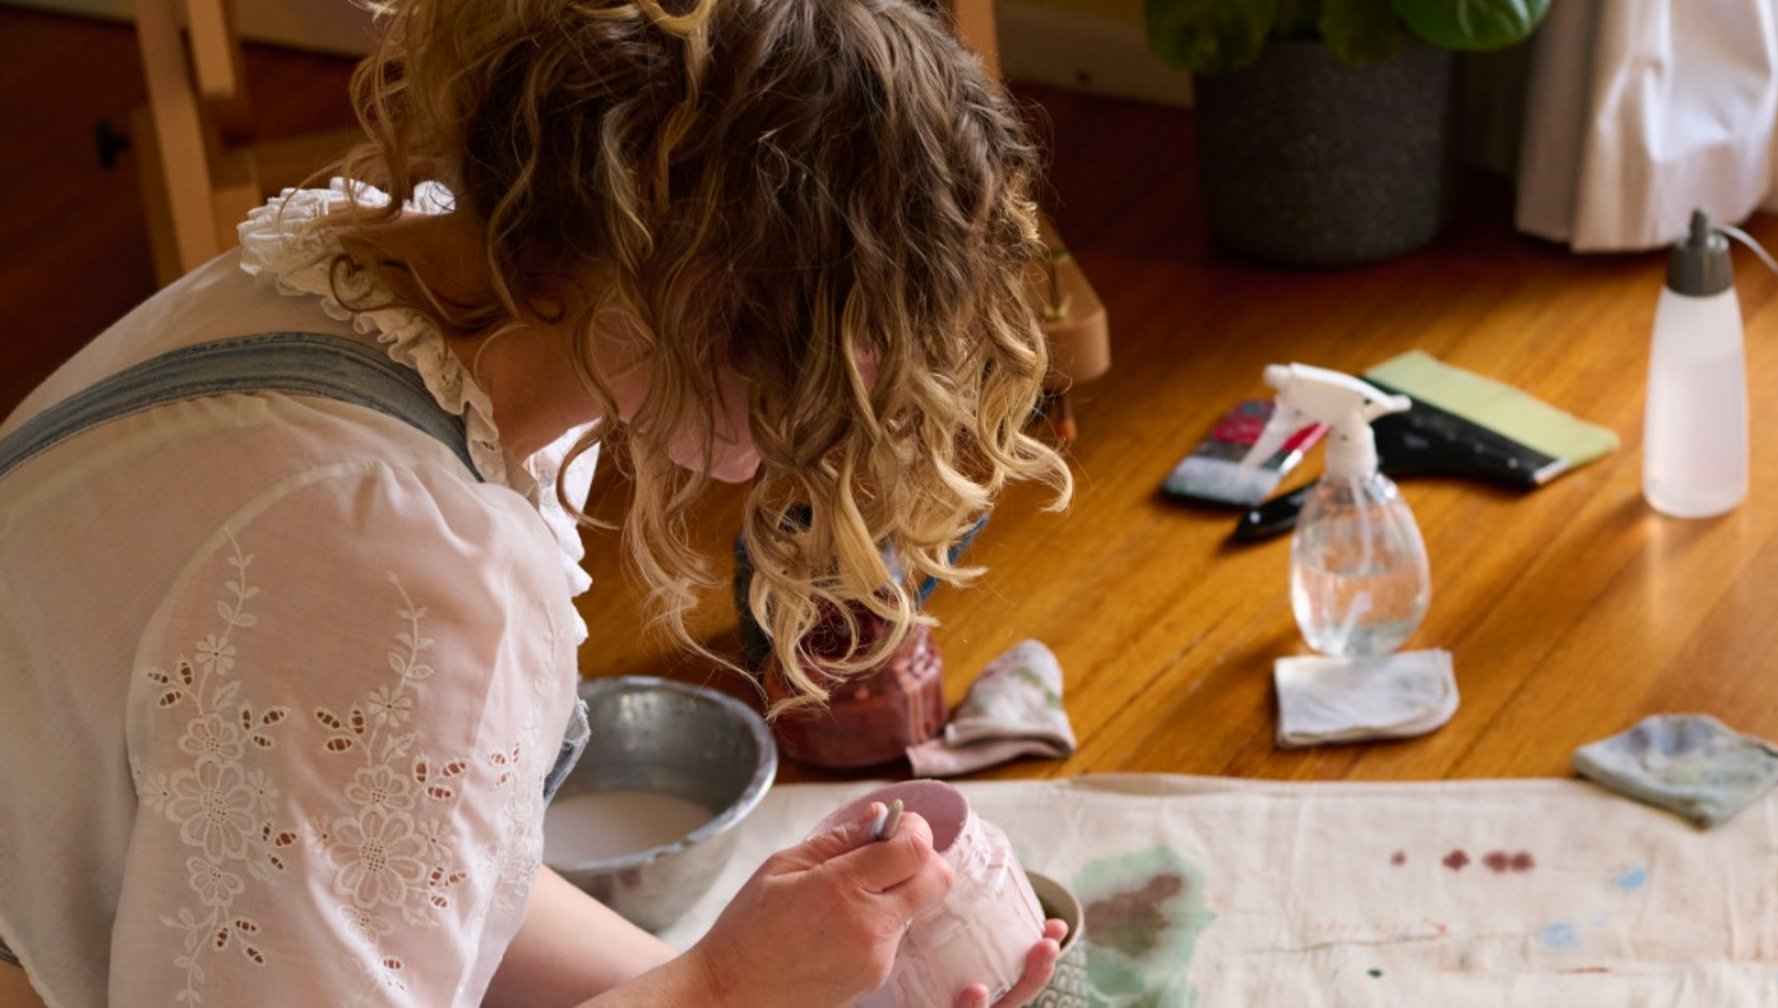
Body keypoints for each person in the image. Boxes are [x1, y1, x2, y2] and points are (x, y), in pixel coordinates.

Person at [0, 0, 1074, 1004]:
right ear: (698, 285)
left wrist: (728, 970)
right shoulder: (400, 570)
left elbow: (405, 882)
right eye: (857, 335)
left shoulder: (413, 290)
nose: (867, 390)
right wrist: (723, 990)